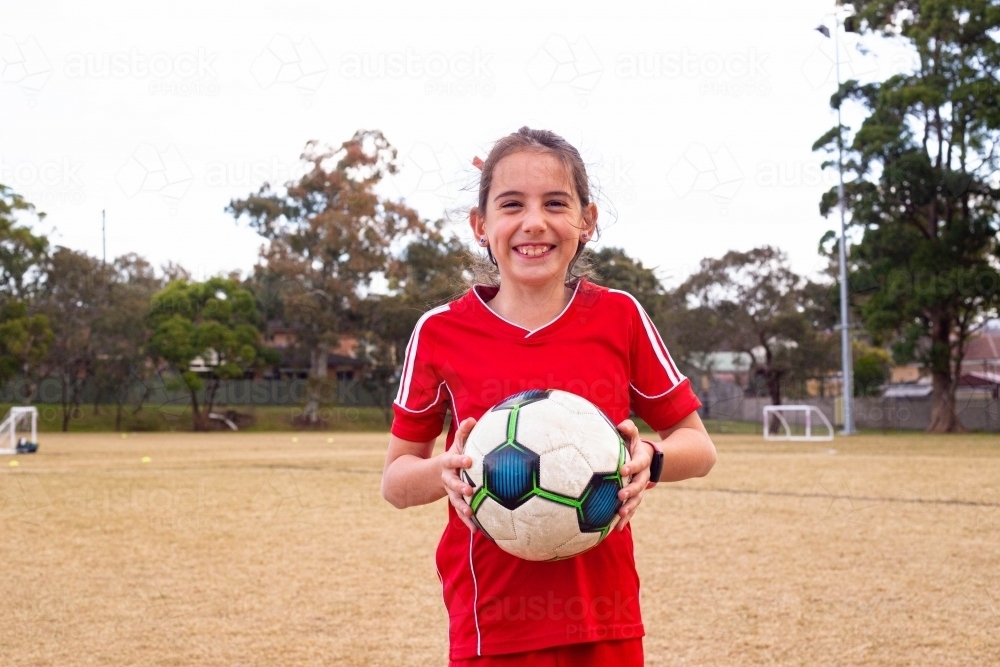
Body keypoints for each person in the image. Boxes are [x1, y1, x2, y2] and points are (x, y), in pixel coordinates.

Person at [381, 127, 717, 666]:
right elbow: (396, 482)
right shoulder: (441, 331)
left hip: (604, 619)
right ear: (480, 225)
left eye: (555, 204)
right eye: (511, 204)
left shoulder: (620, 317)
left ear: (587, 220)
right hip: (491, 623)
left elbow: (700, 449)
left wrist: (650, 461)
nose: (534, 222)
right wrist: (442, 471)